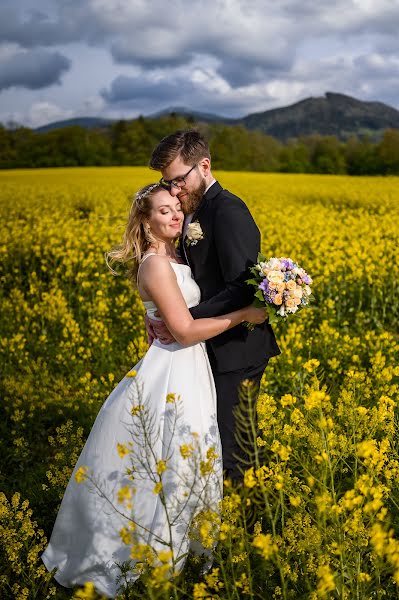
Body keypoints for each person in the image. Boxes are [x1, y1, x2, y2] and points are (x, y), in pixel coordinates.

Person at [41, 183, 268, 598]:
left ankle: (180, 553)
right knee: (165, 459)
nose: (175, 216)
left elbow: (182, 312)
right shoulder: (155, 265)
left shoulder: (179, 256)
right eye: (164, 211)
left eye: (177, 208)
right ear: (145, 222)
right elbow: (182, 330)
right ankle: (153, 554)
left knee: (185, 455)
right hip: (173, 366)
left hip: (189, 367)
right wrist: (245, 315)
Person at [148, 130, 281, 480]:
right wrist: (161, 310)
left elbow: (240, 287)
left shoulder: (228, 210)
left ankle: (250, 528)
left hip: (237, 350)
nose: (175, 191)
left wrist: (183, 320)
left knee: (235, 452)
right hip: (208, 344)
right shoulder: (192, 209)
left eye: (179, 181)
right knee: (217, 445)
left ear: (204, 166)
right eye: (169, 183)